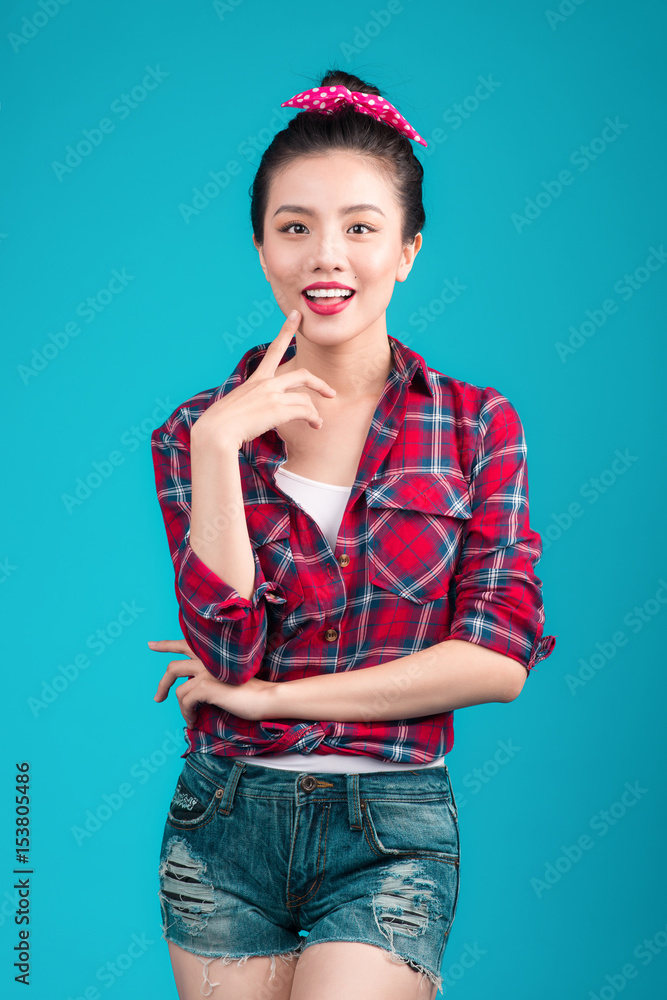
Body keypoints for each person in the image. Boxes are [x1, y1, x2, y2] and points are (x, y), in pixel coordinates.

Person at [148, 68, 557, 1000]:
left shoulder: (474, 426)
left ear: (408, 249)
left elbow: (495, 663)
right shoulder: (192, 433)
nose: (325, 256)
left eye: (360, 227)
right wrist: (221, 446)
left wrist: (272, 704)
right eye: (294, 227)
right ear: (260, 247)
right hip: (223, 821)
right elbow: (228, 649)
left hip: (392, 825)